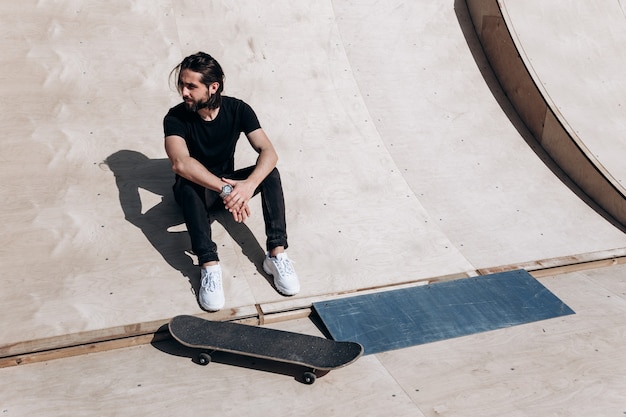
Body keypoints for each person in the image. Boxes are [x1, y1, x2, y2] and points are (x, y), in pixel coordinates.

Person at [163, 52, 300, 311]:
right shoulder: (175, 118)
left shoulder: (238, 109)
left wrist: (246, 186)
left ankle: (276, 254)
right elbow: (180, 162)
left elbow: (269, 152)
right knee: (189, 182)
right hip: (197, 194)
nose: (184, 92)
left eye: (191, 86)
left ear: (213, 87)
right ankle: (209, 265)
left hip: (230, 189)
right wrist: (226, 189)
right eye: (182, 84)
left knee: (269, 172)